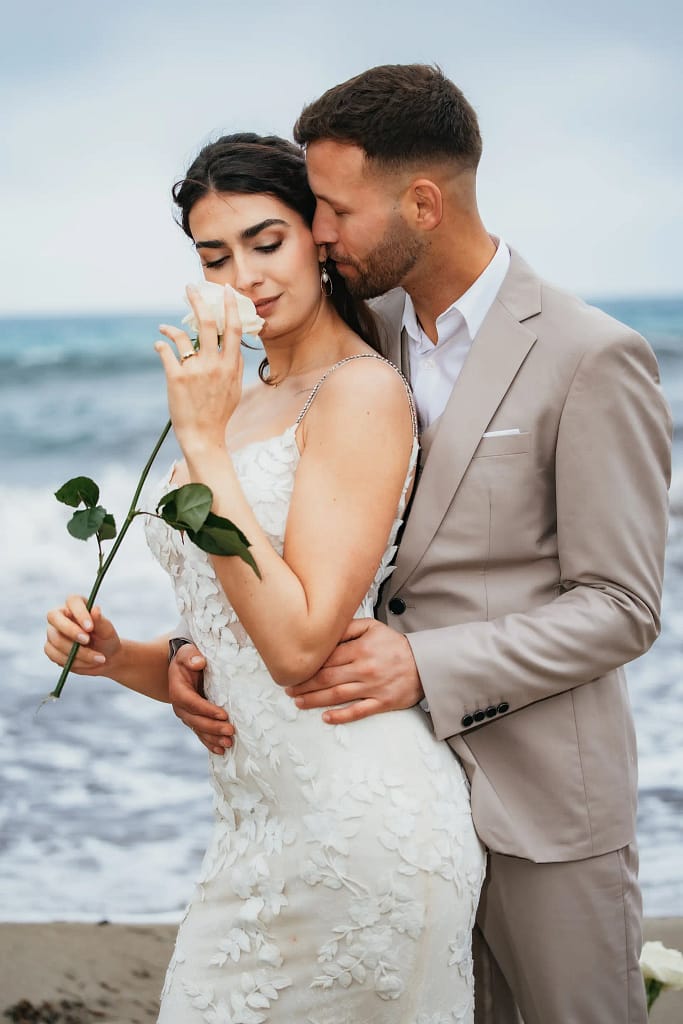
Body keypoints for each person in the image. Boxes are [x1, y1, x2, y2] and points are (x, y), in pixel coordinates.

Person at [170, 68, 673, 1023]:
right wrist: (207, 647)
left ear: (423, 203)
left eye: (332, 210)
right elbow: (327, 539)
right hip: (378, 797)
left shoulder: (588, 355)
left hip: (538, 804)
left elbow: (622, 607)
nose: (317, 234)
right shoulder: (363, 329)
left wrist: (422, 663)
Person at [45, 132, 486, 1022]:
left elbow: (296, 643)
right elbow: (230, 637)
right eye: (216, 255)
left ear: (319, 241)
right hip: (253, 829)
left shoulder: (359, 394)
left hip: (361, 831)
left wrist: (200, 439)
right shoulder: (241, 404)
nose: (242, 274)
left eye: (266, 240)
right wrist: (131, 658)